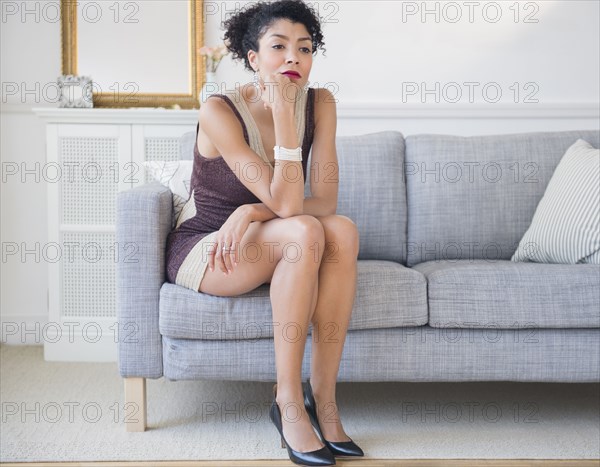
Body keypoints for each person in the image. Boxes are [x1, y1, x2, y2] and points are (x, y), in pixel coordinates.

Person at [165, 0, 363, 464]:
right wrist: (285, 121)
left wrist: (252, 212)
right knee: (304, 232)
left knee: (342, 230)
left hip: (259, 230)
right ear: (253, 58)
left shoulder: (322, 102)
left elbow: (325, 202)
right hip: (211, 244)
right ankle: (287, 402)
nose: (293, 58)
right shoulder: (218, 110)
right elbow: (294, 208)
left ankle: (325, 399)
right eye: (279, 47)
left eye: (305, 48)